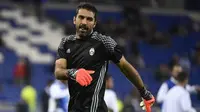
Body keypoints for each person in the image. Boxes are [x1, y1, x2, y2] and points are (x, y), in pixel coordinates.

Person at [54, 2, 155, 112]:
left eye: (89, 19)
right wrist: (74, 73)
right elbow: (58, 71)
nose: (84, 22)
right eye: (81, 17)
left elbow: (125, 66)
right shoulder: (66, 43)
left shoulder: (105, 43)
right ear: (74, 19)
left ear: (94, 23)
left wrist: (144, 92)